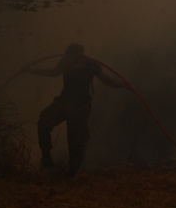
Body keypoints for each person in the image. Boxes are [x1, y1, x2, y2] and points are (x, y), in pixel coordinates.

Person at [24, 43, 125, 175]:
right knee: (44, 121)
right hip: (64, 102)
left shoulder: (91, 65)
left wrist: (124, 85)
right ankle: (47, 159)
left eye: (73, 58)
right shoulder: (65, 62)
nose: (70, 60)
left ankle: (73, 170)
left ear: (80, 56)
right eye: (69, 58)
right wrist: (33, 71)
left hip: (81, 107)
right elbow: (54, 72)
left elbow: (107, 81)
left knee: (76, 139)